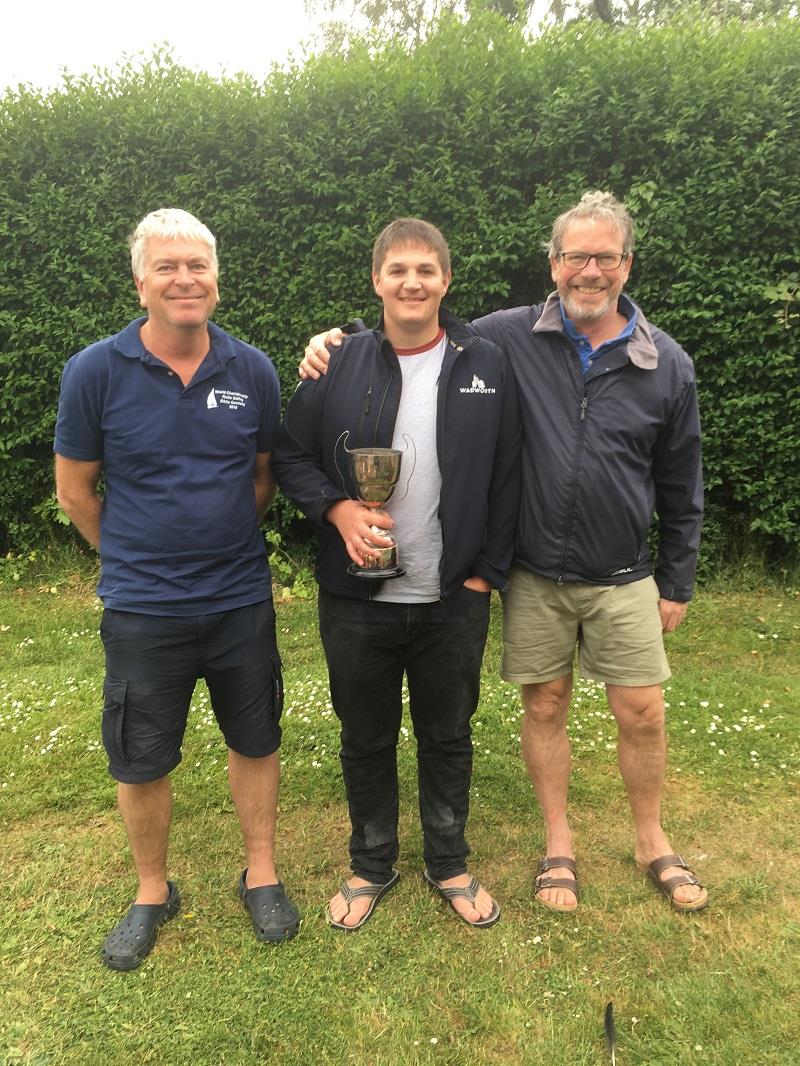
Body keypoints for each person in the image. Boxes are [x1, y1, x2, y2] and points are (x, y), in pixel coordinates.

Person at [298, 192, 708, 914]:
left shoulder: (654, 361)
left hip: (561, 580)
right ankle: (427, 860)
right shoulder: (498, 337)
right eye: (575, 256)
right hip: (451, 584)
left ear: (625, 265)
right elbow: (308, 433)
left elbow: (669, 480)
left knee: (615, 715)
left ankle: (622, 843)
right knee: (453, 721)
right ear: (552, 265)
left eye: (603, 256)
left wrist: (489, 575)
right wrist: (337, 340)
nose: (588, 269)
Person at [54, 208, 300, 970]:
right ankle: (153, 890)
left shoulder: (251, 369)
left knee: (254, 739)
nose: (184, 279)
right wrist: (133, 556)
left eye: (197, 265)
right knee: (140, 757)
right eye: (167, 267)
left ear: (216, 281)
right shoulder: (95, 371)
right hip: (142, 607)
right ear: (140, 281)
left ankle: (260, 872)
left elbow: (262, 477)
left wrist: (218, 542)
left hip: (237, 601)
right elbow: (76, 492)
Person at [271, 218, 520, 930]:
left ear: (447, 279)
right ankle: (370, 864)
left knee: (448, 735)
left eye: (427, 270)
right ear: (376, 279)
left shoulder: (486, 365)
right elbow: (290, 456)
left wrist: (486, 575)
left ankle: (449, 861)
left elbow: (510, 474)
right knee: (365, 736)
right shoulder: (338, 361)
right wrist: (339, 509)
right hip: (357, 598)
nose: (413, 282)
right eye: (398, 270)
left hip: (453, 595)